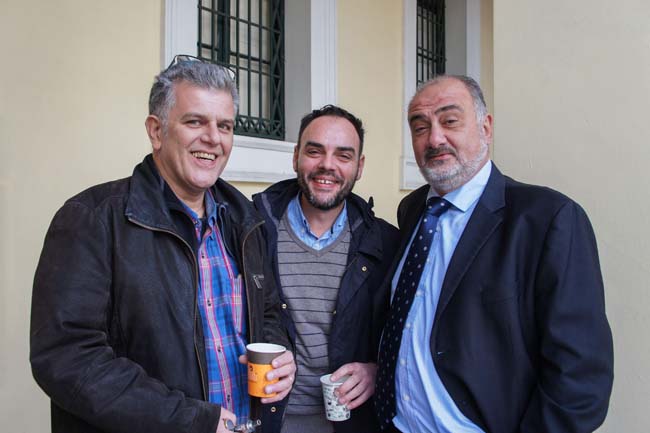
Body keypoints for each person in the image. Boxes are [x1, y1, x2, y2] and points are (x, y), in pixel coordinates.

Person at [30, 56, 296, 433]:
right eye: (195, 122)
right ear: (156, 131)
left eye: (224, 125)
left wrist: (280, 354)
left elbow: (267, 313)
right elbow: (67, 358)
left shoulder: (246, 220)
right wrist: (192, 421)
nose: (214, 138)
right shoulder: (92, 219)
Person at [374, 75, 614, 433]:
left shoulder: (548, 219)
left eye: (450, 120)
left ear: (485, 127)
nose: (434, 138)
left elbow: (579, 381)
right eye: (420, 127)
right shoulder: (413, 210)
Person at [252, 105, 399, 433]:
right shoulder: (252, 230)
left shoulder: (385, 244)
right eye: (315, 151)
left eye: (343, 155)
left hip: (349, 424)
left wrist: (377, 369)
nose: (327, 165)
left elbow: (402, 334)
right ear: (296, 157)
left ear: (359, 167)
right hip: (266, 421)